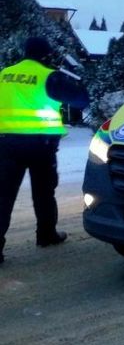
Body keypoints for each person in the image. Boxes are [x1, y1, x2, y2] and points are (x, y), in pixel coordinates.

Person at [0, 36, 90, 264]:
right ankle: (46, 235)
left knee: (3, 196)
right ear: (46, 54)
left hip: (6, 143)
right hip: (40, 146)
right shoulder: (49, 76)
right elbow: (81, 100)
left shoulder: (5, 74)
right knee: (43, 193)